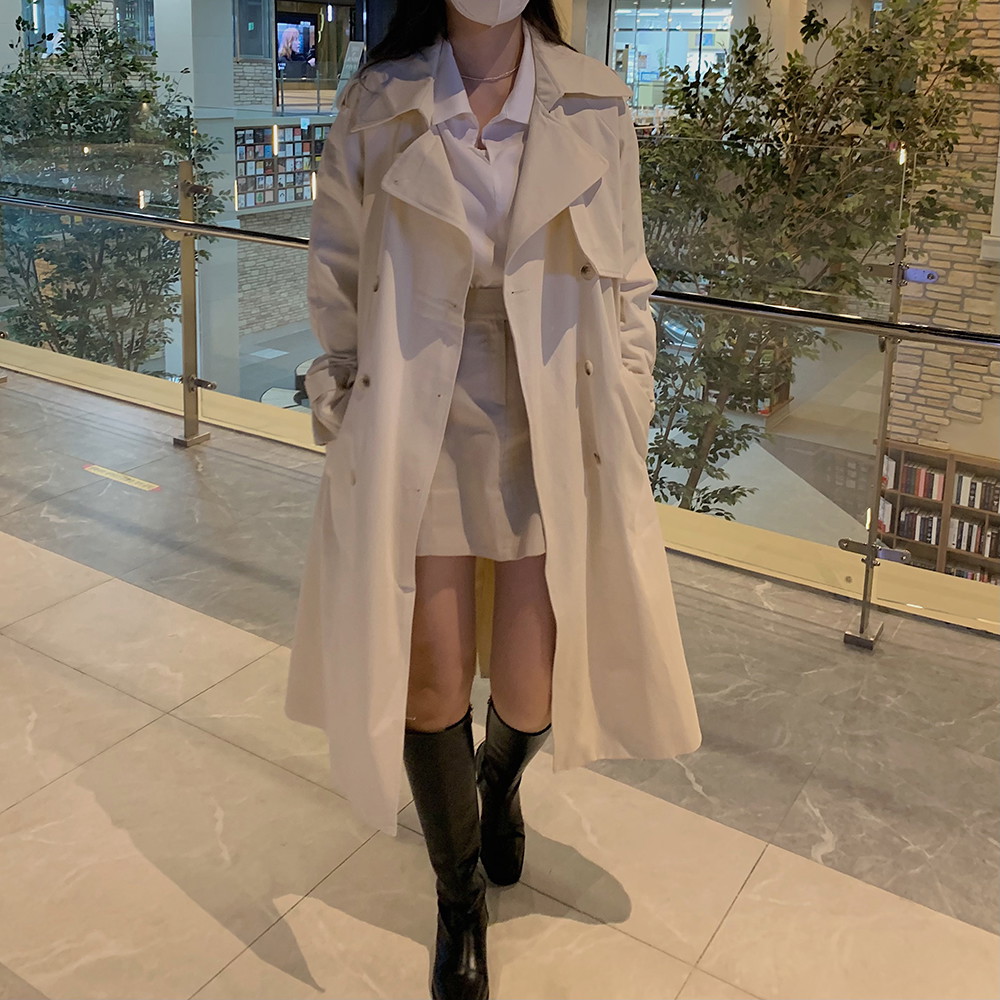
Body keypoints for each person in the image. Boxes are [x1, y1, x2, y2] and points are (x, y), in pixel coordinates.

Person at [285, 0, 703, 996]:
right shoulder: (379, 100)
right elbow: (336, 267)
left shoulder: (594, 100)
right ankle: (458, 896)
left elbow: (628, 278)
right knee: (430, 676)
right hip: (416, 404)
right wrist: (344, 401)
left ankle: (497, 782)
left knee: (531, 685)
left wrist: (629, 400)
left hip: (548, 403)